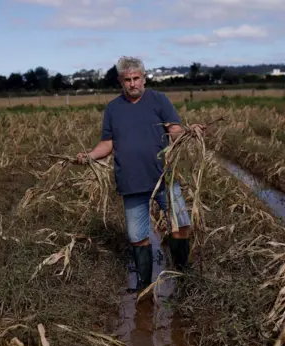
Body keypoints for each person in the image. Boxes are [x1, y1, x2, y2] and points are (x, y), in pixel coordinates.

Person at [75, 56, 205, 292]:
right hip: (131, 182)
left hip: (164, 177)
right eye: (128, 80)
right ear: (120, 81)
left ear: (144, 78)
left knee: (181, 226)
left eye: (137, 78)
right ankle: (144, 285)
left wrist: (188, 131)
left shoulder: (159, 100)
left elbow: (174, 129)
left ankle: (183, 275)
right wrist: (90, 156)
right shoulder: (113, 108)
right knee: (138, 237)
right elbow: (107, 143)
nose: (133, 84)